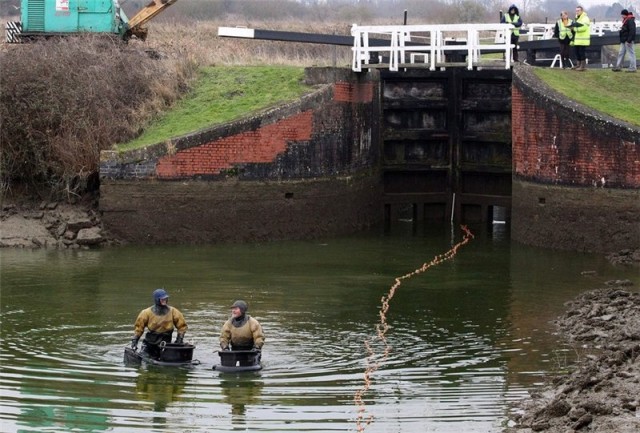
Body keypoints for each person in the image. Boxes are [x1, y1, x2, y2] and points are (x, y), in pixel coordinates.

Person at [131, 288, 188, 359]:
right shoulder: (146, 313)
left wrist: (179, 340)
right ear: (156, 299)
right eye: (162, 299)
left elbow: (182, 326)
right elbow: (139, 328)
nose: (164, 301)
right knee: (144, 359)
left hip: (166, 344)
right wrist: (135, 340)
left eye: (165, 299)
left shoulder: (173, 311)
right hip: (150, 344)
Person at [569, 5, 591, 71]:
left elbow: (584, 27)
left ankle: (582, 66)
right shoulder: (576, 18)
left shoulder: (585, 18)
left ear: (582, 11)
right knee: (576, 52)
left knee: (582, 52)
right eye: (576, 10)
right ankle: (578, 65)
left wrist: (575, 29)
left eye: (578, 10)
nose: (577, 12)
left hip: (583, 39)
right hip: (577, 39)